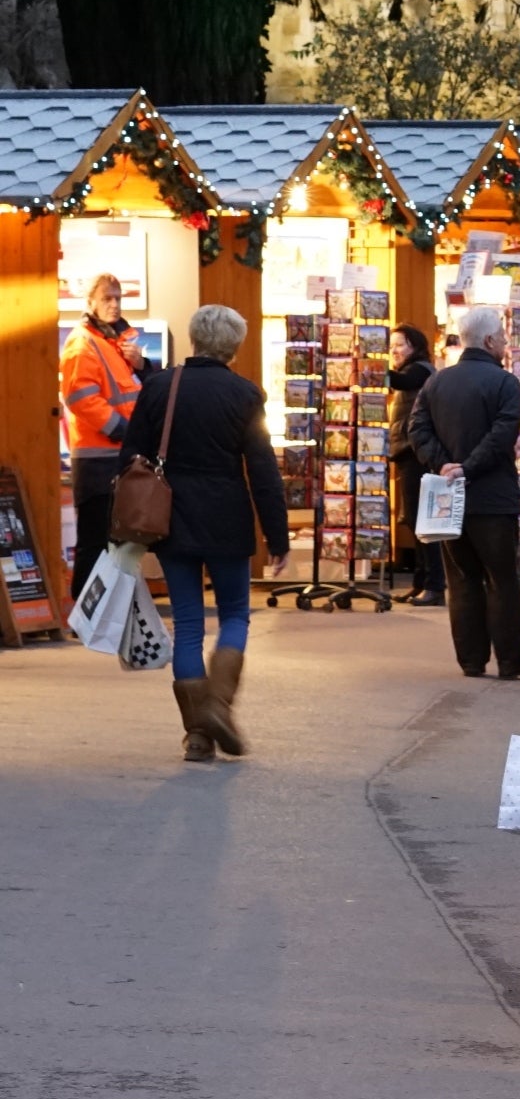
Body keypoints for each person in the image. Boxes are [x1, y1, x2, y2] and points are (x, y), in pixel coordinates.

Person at [119, 305, 287, 761]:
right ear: (234, 346)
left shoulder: (159, 387)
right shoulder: (245, 395)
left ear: (194, 339)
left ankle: (197, 735)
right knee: (235, 615)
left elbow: (130, 456)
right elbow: (263, 470)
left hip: (171, 518)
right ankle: (217, 705)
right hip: (227, 517)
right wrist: (278, 536)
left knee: (189, 624)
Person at [410, 305, 520, 678]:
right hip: (492, 497)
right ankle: (509, 660)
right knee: (502, 579)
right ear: (490, 340)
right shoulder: (504, 383)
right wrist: (468, 467)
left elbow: (417, 429)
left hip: (447, 497)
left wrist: (443, 464)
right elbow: (502, 435)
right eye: (504, 337)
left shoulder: (437, 381)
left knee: (461, 580)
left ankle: (471, 660)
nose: (507, 343)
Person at [59, 271, 147, 594]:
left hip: (116, 457)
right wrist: (123, 429)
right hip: (98, 460)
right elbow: (80, 397)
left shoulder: (113, 343)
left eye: (118, 298)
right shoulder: (83, 342)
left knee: (113, 542)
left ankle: (101, 613)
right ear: (91, 302)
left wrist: (141, 365)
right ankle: (84, 616)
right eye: (107, 298)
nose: (114, 304)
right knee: (94, 542)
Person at [386, 323, 442, 606]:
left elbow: (402, 382)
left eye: (400, 344)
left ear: (415, 346)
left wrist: (369, 367)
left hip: (417, 455)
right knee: (415, 520)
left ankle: (434, 585)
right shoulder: (414, 370)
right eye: (392, 345)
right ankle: (421, 582)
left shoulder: (420, 369)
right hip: (408, 454)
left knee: (424, 521)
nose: (394, 350)